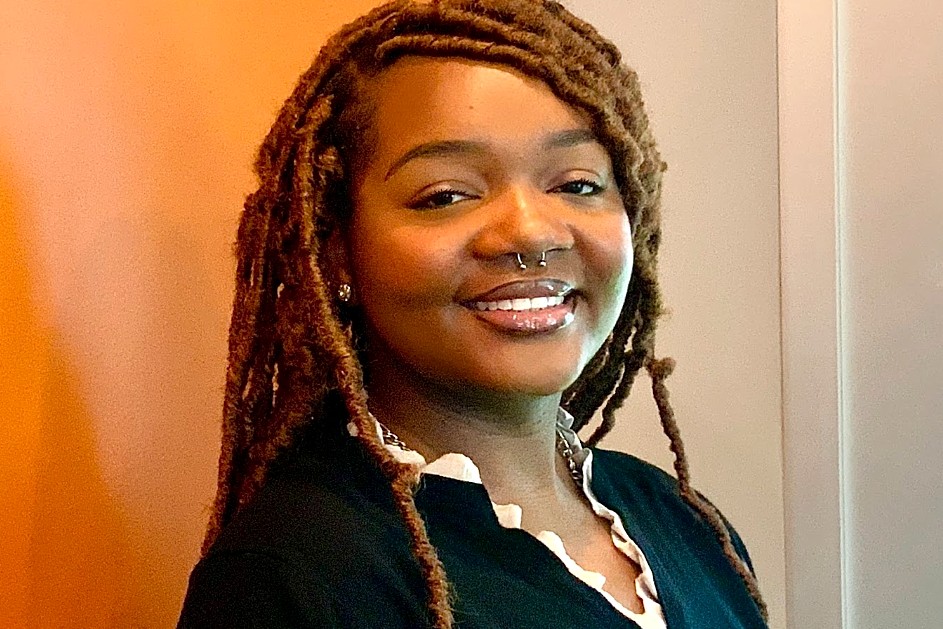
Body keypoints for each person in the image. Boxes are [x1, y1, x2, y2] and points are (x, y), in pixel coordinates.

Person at [178, 1, 769, 627]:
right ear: (337, 251)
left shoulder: (684, 522)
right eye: (447, 195)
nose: (532, 231)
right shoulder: (298, 577)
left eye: (576, 184)